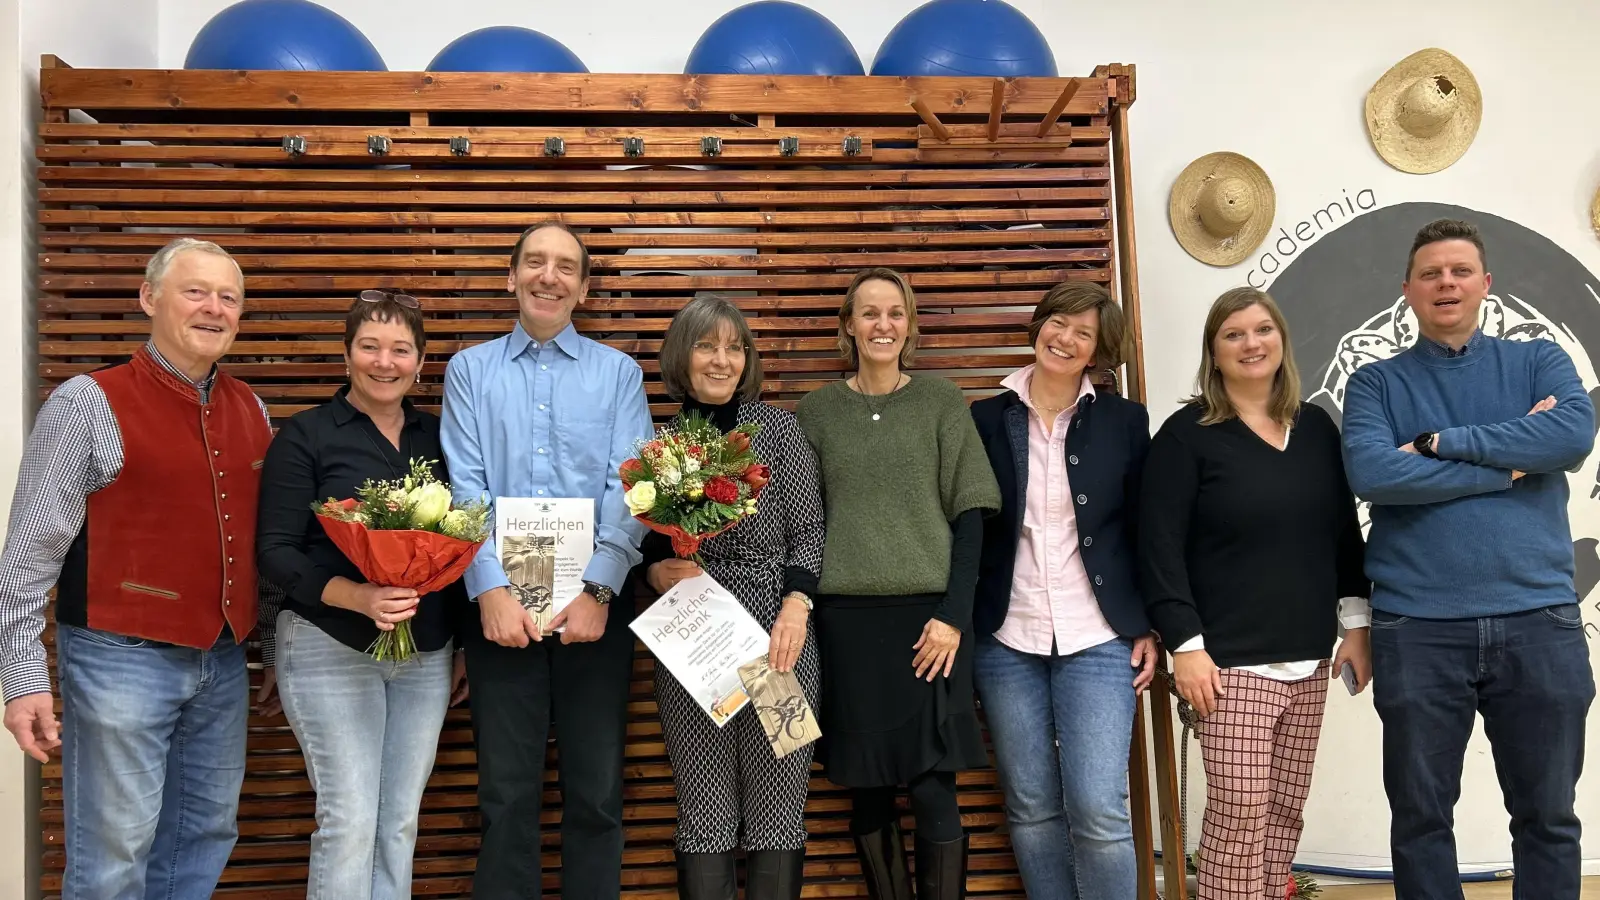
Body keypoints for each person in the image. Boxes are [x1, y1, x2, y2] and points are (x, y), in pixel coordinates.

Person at [0, 238, 273, 898]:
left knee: (203, 835)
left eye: (229, 297)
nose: (214, 308)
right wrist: (20, 676)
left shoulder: (252, 408)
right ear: (149, 298)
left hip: (223, 661)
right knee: (113, 853)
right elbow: (29, 553)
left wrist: (267, 646)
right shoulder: (86, 402)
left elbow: (257, 545)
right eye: (195, 291)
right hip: (118, 660)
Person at [1340, 218, 1595, 900]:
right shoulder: (1375, 384)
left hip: (1539, 619)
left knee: (1548, 817)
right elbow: (1375, 474)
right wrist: (1507, 465)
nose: (1445, 283)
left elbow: (1570, 436)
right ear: (1408, 291)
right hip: (1417, 627)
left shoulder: (1538, 360)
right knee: (1420, 821)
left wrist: (1437, 443)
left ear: (1486, 284)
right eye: (1430, 273)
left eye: (1459, 271)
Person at [440, 220, 655, 900]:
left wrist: (600, 591)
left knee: (596, 793)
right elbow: (465, 488)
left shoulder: (618, 374)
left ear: (584, 288)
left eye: (566, 266)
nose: (549, 276)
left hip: (596, 612)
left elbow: (631, 488)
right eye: (535, 261)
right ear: (511, 276)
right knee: (505, 797)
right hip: (499, 614)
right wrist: (489, 591)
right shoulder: (469, 372)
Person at [1138, 287, 1372, 900]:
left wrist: (1356, 626)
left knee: (1283, 813)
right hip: (1227, 662)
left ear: (1282, 340)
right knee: (1240, 813)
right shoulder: (1186, 436)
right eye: (1233, 334)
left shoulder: (1315, 428)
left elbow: (1343, 534)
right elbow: (1158, 549)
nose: (1251, 343)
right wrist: (1186, 645)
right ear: (1213, 352)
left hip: (1309, 656)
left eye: (1263, 329)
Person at [253, 291, 470, 900]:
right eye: (370, 347)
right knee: (349, 822)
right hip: (329, 643)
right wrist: (358, 596)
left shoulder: (440, 438)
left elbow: (458, 548)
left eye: (400, 349)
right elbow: (274, 550)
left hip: (425, 653)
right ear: (346, 354)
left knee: (398, 822)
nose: (384, 362)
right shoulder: (307, 435)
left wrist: (461, 645)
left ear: (420, 361)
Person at [795, 267, 1001, 900]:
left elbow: (972, 516)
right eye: (869, 313)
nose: (882, 325)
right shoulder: (817, 412)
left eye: (895, 313)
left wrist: (954, 617)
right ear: (848, 326)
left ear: (909, 326)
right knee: (867, 791)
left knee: (935, 787)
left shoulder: (941, 401)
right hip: (847, 626)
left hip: (930, 625)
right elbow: (801, 520)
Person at [968, 282, 1159, 900]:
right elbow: (967, 527)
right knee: (1030, 806)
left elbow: (1145, 528)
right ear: (1039, 325)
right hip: (1005, 636)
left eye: (1083, 332)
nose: (1065, 338)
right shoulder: (985, 418)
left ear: (1098, 350)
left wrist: (1149, 623)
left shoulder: (1125, 422)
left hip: (1098, 634)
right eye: (1058, 322)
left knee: (1099, 809)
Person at [639, 295, 825, 900]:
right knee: (704, 806)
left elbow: (809, 530)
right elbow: (644, 549)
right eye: (706, 346)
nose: (721, 360)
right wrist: (656, 574)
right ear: (681, 356)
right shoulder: (662, 447)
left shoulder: (779, 431)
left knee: (779, 804)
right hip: (693, 637)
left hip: (778, 638)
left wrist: (796, 606)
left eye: (734, 347)